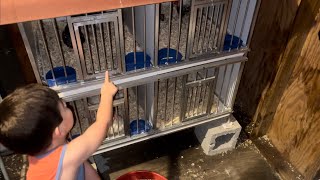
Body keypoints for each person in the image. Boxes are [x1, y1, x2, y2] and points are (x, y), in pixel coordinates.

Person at [0, 71, 117, 180]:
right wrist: (107, 94)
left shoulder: (39, 149)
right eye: (63, 106)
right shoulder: (67, 158)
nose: (65, 103)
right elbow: (103, 123)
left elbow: (81, 165)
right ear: (58, 131)